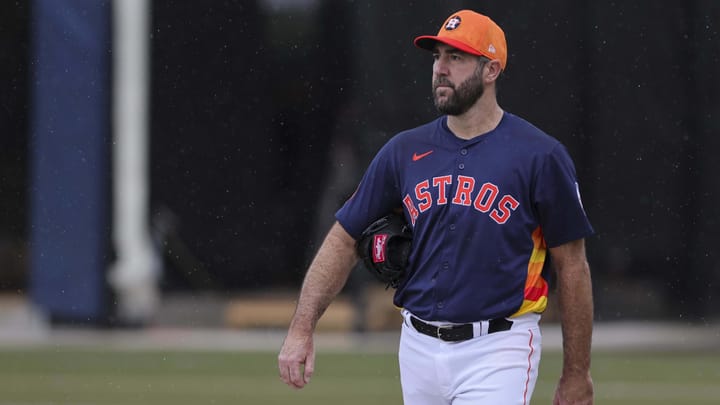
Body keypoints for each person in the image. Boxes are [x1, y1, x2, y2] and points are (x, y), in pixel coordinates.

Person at [278, 9, 594, 405]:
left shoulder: (540, 157)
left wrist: (576, 373)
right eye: (437, 56)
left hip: (498, 347)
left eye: (456, 58)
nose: (441, 69)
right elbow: (344, 238)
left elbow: (572, 265)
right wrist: (301, 329)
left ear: (491, 69)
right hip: (416, 345)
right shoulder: (403, 151)